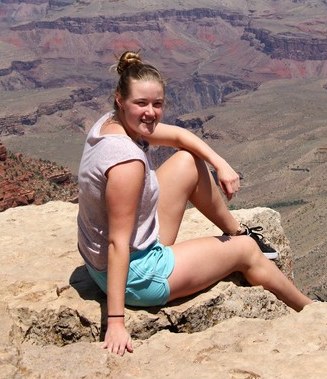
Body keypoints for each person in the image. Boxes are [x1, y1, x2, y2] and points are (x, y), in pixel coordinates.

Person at [77, 51, 315, 356]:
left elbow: (178, 136)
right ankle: (310, 310)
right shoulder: (126, 163)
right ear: (120, 100)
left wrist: (220, 163)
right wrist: (116, 321)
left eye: (157, 104)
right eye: (142, 104)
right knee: (246, 253)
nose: (150, 112)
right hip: (136, 275)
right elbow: (117, 243)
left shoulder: (110, 123)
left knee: (188, 162)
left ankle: (238, 230)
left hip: (117, 254)